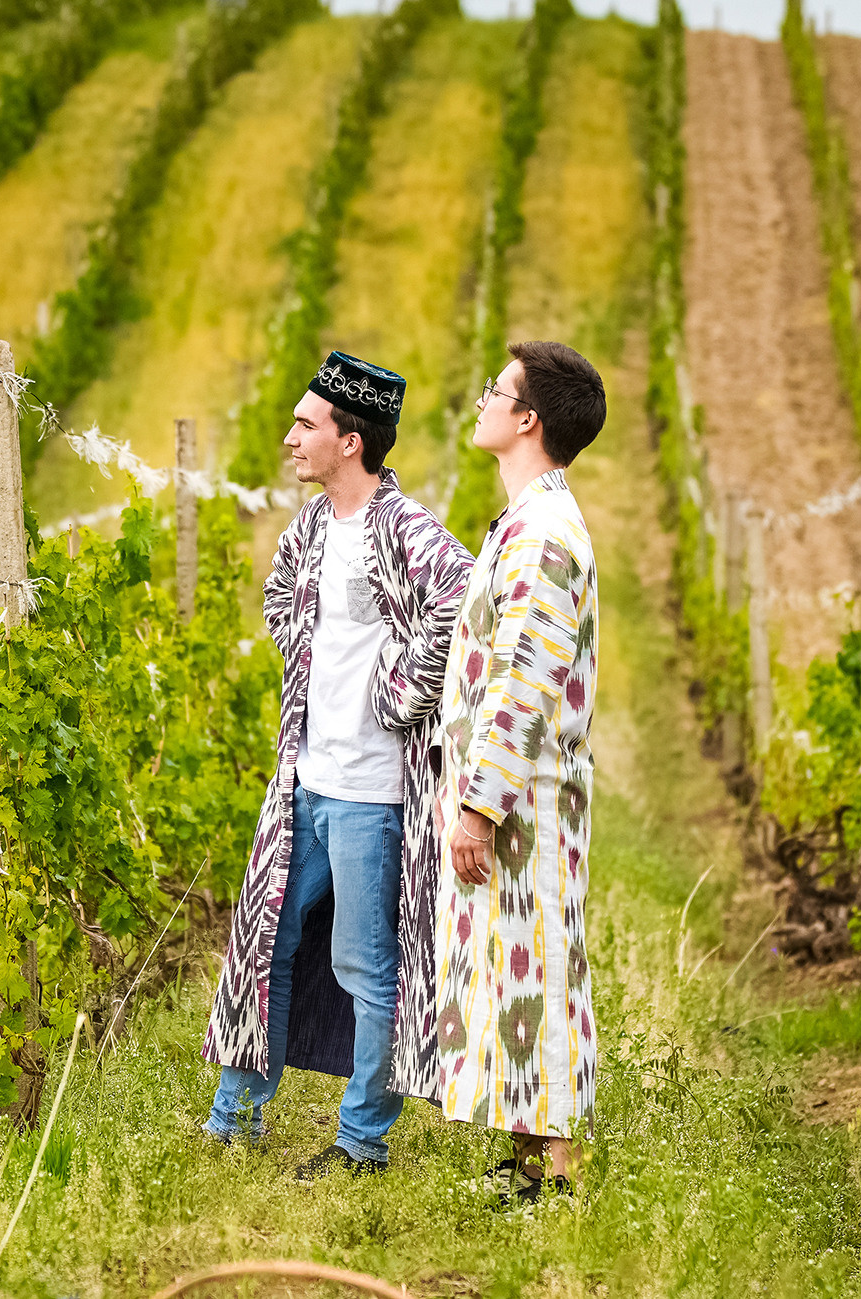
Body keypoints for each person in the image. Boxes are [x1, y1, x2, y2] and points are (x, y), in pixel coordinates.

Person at [203, 351, 474, 1179]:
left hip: (371, 789)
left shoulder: (408, 532)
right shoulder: (311, 529)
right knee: (265, 941)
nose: (290, 438)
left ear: (350, 441)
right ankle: (234, 1116)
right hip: (305, 781)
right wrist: (309, 656)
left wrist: (396, 693)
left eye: (305, 425)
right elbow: (282, 598)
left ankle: (362, 1142)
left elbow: (463, 599)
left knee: (365, 962)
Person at [434, 340, 605, 1205]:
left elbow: (523, 679)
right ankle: (528, 1161)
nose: (482, 403)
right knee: (518, 971)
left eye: (494, 392)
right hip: (521, 796)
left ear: (528, 419)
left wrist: (479, 807)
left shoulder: (542, 533)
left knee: (537, 964)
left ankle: (556, 1174)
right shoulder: (532, 518)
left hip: (525, 798)